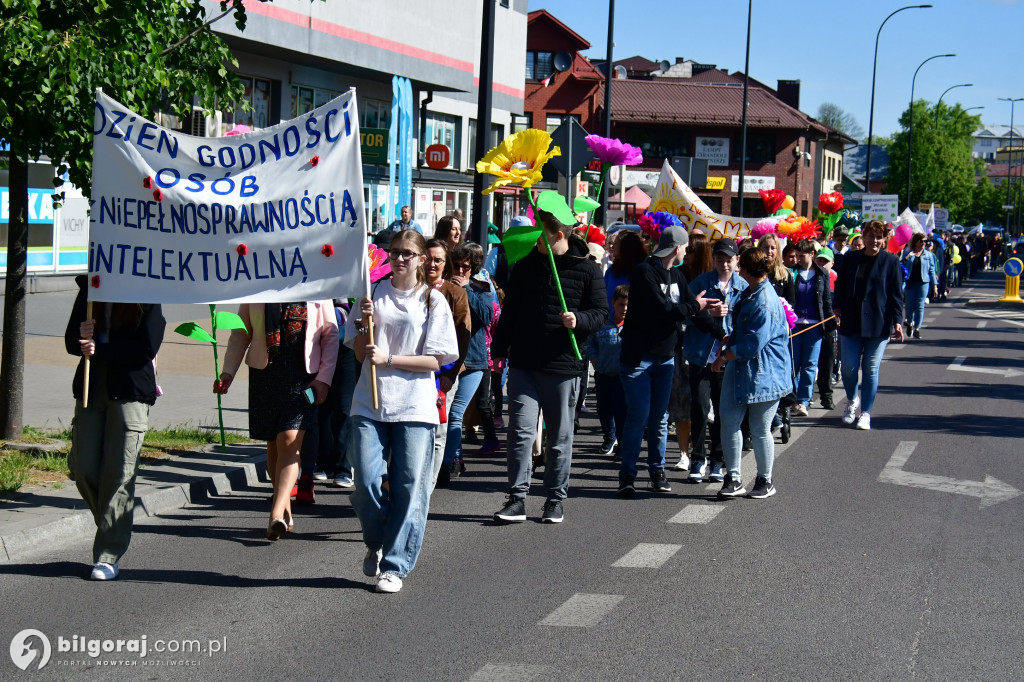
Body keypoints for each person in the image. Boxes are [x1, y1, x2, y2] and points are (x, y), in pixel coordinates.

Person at [345, 230, 459, 593]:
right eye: (394, 252)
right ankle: (375, 539)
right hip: (370, 402)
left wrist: (391, 358)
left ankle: (395, 565)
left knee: (410, 486)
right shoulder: (372, 294)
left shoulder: (432, 301)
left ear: (422, 259)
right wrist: (366, 326)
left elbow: (436, 360)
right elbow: (361, 352)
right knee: (364, 481)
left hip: (414, 405)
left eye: (408, 253)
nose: (399, 259)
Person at [490, 209, 608, 524]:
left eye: (540, 233)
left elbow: (601, 313)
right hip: (524, 364)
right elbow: (511, 311)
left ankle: (554, 499)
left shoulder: (587, 270)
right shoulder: (526, 266)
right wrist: (499, 350)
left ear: (558, 235)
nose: (534, 238)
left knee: (559, 438)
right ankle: (516, 498)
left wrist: (578, 319)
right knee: (520, 432)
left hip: (564, 367)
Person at [65, 278, 165, 580]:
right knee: (83, 468)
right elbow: (71, 342)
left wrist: (102, 349)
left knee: (119, 473)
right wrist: (81, 338)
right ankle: (112, 525)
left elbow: (147, 346)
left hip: (130, 391)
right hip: (92, 389)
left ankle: (108, 555)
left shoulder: (147, 290)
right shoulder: (91, 287)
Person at [217, 299, 338, 540]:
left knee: (290, 440)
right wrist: (228, 371)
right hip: (266, 374)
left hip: (304, 375)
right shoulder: (262, 283)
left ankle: (275, 513)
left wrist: (324, 379)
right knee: (273, 442)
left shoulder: (317, 288)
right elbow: (242, 332)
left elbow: (330, 335)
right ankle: (285, 508)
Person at [617, 226, 721, 497]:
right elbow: (664, 311)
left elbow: (693, 310)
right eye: (685, 247)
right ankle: (627, 475)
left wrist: (723, 334)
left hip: (666, 358)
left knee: (660, 418)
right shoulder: (644, 272)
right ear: (677, 248)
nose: (687, 252)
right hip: (638, 359)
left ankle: (656, 471)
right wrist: (695, 306)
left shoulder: (676, 275)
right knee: (638, 417)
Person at [710, 246, 793, 500]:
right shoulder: (750, 292)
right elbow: (743, 334)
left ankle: (765, 479)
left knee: (759, 428)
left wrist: (724, 356)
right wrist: (729, 340)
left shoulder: (764, 300)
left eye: (738, 264)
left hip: (765, 373)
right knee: (729, 422)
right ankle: (734, 477)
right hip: (743, 370)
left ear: (743, 268)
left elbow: (752, 344)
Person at [684, 237, 746, 484]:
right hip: (700, 355)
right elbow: (684, 316)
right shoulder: (701, 283)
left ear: (737, 260)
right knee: (699, 408)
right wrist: (705, 311)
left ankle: (718, 461)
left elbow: (746, 321)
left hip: (727, 358)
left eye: (729, 260)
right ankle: (697, 460)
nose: (724, 265)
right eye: (719, 259)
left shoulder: (743, 287)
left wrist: (730, 317)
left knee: (723, 411)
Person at [833, 220, 905, 431]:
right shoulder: (850, 258)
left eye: (879, 237)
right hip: (851, 320)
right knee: (848, 366)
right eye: (871, 236)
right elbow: (841, 285)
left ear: (884, 239)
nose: (875, 240)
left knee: (870, 369)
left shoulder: (890, 261)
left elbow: (895, 294)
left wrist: (898, 321)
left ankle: (866, 413)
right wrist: (837, 306)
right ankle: (852, 400)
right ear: (863, 237)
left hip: (878, 323)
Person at [439, 242, 493, 481]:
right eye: (457, 266)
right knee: (446, 411)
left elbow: (486, 317)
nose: (460, 271)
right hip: (449, 358)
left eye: (466, 267)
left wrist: (467, 291)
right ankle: (453, 459)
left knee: (456, 413)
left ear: (473, 269)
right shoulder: (442, 289)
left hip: (473, 360)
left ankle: (451, 461)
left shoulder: (481, 289)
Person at [422, 238, 471, 489]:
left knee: (439, 432)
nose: (432, 264)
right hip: (413, 371)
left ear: (446, 264)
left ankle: (426, 489)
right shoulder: (410, 288)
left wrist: (450, 376)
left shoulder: (456, 294)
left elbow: (463, 337)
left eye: (438, 260)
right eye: (428, 258)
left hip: (444, 374)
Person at [788, 239, 835, 417]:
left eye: (802, 256)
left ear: (811, 255)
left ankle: (803, 401)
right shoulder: (792, 273)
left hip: (815, 325)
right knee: (794, 363)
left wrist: (830, 322)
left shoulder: (822, 273)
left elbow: (826, 299)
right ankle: (792, 398)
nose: (798, 259)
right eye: (797, 256)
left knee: (810, 363)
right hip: (795, 325)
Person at [587, 284, 629, 455]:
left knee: (621, 409)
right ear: (613, 303)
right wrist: (595, 360)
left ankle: (622, 443)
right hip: (603, 373)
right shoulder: (603, 322)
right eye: (621, 304)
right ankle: (609, 437)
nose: (624, 309)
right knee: (604, 408)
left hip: (623, 376)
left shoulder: (634, 324)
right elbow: (591, 343)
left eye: (628, 305)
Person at [814, 247, 840, 408]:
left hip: (829, 324)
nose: (822, 263)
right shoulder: (812, 275)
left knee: (827, 361)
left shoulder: (836, 277)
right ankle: (805, 397)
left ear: (832, 262)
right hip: (814, 322)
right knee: (809, 363)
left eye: (825, 261)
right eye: (819, 260)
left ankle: (826, 395)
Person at [901, 232, 938, 339]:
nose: (923, 243)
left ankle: (917, 328)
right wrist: (908, 257)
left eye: (925, 241)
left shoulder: (928, 255)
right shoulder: (908, 253)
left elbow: (932, 271)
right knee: (909, 305)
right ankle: (909, 322)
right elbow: (902, 265)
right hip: (910, 282)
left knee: (920, 305)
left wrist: (934, 286)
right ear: (915, 242)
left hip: (923, 282)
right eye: (921, 241)